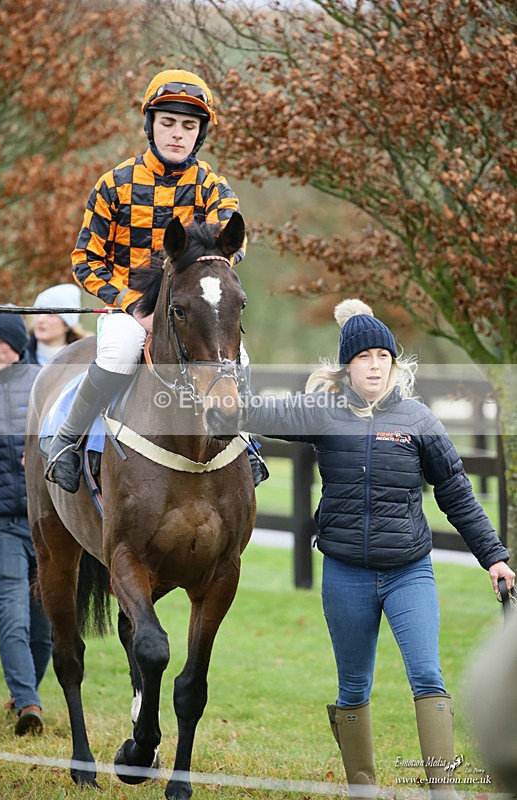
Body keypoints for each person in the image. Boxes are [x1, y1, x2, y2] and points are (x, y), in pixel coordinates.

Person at [210, 298, 515, 798]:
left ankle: (444, 790)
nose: (375, 365)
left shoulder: (418, 419)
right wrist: (223, 404)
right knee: (353, 686)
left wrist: (494, 557)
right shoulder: (323, 413)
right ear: (346, 366)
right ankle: (362, 788)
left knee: (427, 674)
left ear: (394, 363)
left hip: (408, 571)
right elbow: (262, 412)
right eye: (364, 357)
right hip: (345, 573)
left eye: (383, 356)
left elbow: (457, 492)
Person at [44, 67, 267, 493]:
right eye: (168, 123)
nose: (177, 134)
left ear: (199, 134)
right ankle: (67, 441)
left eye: (188, 126)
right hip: (129, 311)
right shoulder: (114, 184)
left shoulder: (213, 187)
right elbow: (85, 260)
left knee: (239, 356)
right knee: (119, 350)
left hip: (190, 307)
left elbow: (230, 246)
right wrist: (134, 305)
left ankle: (245, 440)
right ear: (151, 125)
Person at [0, 306, 52, 735]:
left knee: (46, 627)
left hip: (44, 523)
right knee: (13, 614)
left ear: (15, 344)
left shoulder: (42, 384)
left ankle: (24, 694)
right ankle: (29, 703)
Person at [27, 283, 89, 365]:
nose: (40, 320)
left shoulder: (85, 362)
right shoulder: (17, 357)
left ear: (67, 324)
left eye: (50, 315)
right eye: (38, 312)